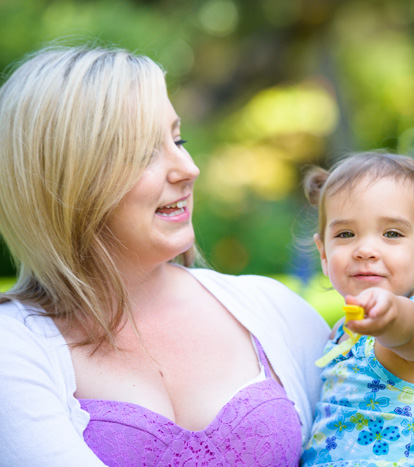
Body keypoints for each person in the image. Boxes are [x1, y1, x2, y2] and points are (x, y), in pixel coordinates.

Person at [0, 45, 330, 466]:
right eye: (143, 153)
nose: (187, 168)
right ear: (70, 184)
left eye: (178, 139)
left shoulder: (273, 311)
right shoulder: (14, 349)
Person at [300, 152, 414, 466]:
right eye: (345, 234)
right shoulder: (341, 331)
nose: (365, 249)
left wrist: (390, 313)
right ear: (324, 254)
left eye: (391, 234)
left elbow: (407, 329)